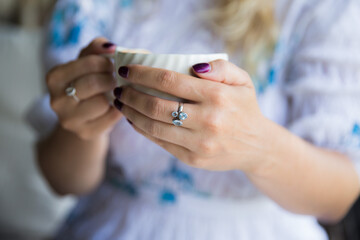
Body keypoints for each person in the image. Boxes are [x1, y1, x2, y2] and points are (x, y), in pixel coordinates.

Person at [28, 0, 360, 239]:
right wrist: (82, 122)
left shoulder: (322, 8)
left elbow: (338, 197)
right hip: (110, 224)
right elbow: (63, 182)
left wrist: (259, 147)